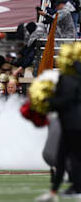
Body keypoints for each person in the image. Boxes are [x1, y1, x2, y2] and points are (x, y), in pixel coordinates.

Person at [36, 61, 81, 201]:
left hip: (74, 124)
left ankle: (76, 188)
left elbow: (65, 100)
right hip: (69, 124)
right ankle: (55, 191)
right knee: (61, 158)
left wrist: (48, 101)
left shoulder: (70, 80)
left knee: (71, 158)